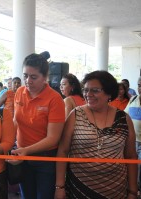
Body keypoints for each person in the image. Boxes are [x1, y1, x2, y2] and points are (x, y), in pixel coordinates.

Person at [55, 70, 138, 199]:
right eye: (86, 90)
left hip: (115, 189)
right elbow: (63, 151)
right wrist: (59, 187)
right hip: (79, 188)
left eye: (95, 90)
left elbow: (131, 156)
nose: (88, 94)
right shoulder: (75, 115)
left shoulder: (123, 119)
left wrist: (132, 191)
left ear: (109, 93)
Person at [9, 53, 65, 199]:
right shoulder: (20, 92)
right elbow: (16, 121)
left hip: (45, 159)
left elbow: (53, 138)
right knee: (26, 195)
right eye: (25, 76)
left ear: (45, 76)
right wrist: (8, 144)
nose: (28, 81)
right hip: (22, 156)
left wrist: (25, 151)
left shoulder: (54, 99)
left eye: (33, 77)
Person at [125, 76, 141, 190]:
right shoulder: (133, 99)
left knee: (139, 168)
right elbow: (125, 116)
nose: (140, 88)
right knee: (130, 166)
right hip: (132, 140)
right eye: (139, 85)